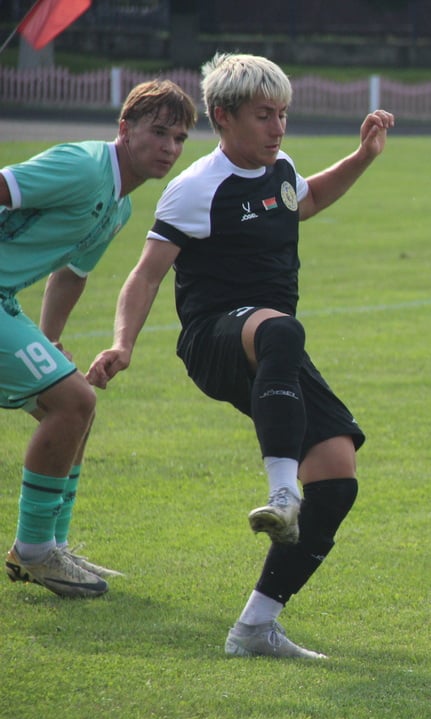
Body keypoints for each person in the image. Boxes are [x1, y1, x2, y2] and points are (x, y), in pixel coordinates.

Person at [86, 53, 394, 659]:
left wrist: (362, 157)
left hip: (274, 342)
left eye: (283, 114)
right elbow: (146, 275)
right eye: (264, 116)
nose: (278, 128)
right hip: (213, 340)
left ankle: (255, 627)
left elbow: (306, 200)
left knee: (336, 476)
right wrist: (123, 342)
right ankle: (282, 495)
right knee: (282, 330)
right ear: (224, 117)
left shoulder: (281, 169)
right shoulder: (196, 188)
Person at [1, 81, 196, 599]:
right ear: (125, 129)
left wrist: (50, 339)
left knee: (77, 408)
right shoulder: (84, 167)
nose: (170, 148)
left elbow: (72, 274)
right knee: (74, 400)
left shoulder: (119, 206)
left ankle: (52, 546)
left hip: (5, 302)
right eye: (159, 132)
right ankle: (34, 550)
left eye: (179, 138)